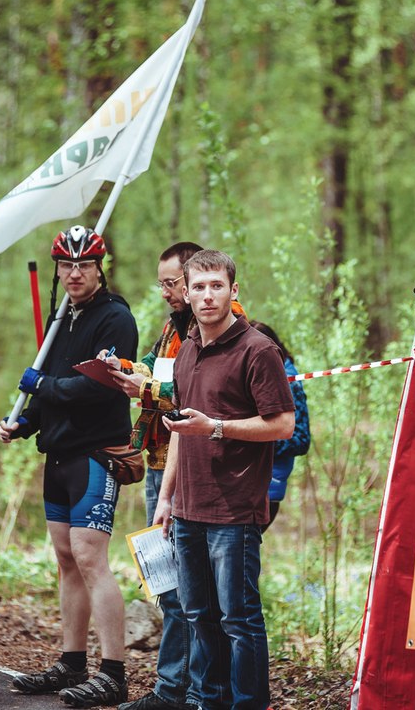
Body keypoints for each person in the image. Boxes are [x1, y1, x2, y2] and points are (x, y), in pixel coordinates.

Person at [0, 225, 138, 709]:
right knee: (65, 558)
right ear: (57, 269)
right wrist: (25, 423)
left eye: (84, 264)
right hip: (58, 454)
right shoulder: (63, 318)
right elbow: (53, 387)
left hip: (96, 453)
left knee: (90, 557)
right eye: (66, 264)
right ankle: (71, 662)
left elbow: (99, 387)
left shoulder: (115, 319)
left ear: (100, 267)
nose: (75, 272)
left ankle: (113, 672)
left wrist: (42, 388)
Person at [154, 249, 295, 710]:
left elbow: (282, 425)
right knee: (200, 616)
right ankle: (208, 701)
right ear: (186, 294)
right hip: (189, 509)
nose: (207, 295)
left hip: (235, 510)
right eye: (198, 286)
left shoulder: (258, 350)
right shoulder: (186, 350)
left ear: (234, 291)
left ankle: (249, 704)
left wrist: (215, 426)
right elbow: (179, 430)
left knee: (239, 619)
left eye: (217, 286)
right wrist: (167, 498)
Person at [98, 241, 203, 710]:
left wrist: (147, 386)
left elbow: (194, 389)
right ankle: (173, 686)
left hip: (190, 468)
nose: (165, 292)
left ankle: (181, 690)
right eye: (160, 283)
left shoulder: (213, 323)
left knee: (188, 585)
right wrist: (123, 371)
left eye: (171, 282)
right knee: (163, 580)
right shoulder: (171, 326)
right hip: (159, 462)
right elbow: (160, 375)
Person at [249, 320, 311, 530]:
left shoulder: (288, 379)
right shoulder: (258, 375)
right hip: (248, 484)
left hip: (269, 485)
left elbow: (300, 439)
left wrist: (252, 439)